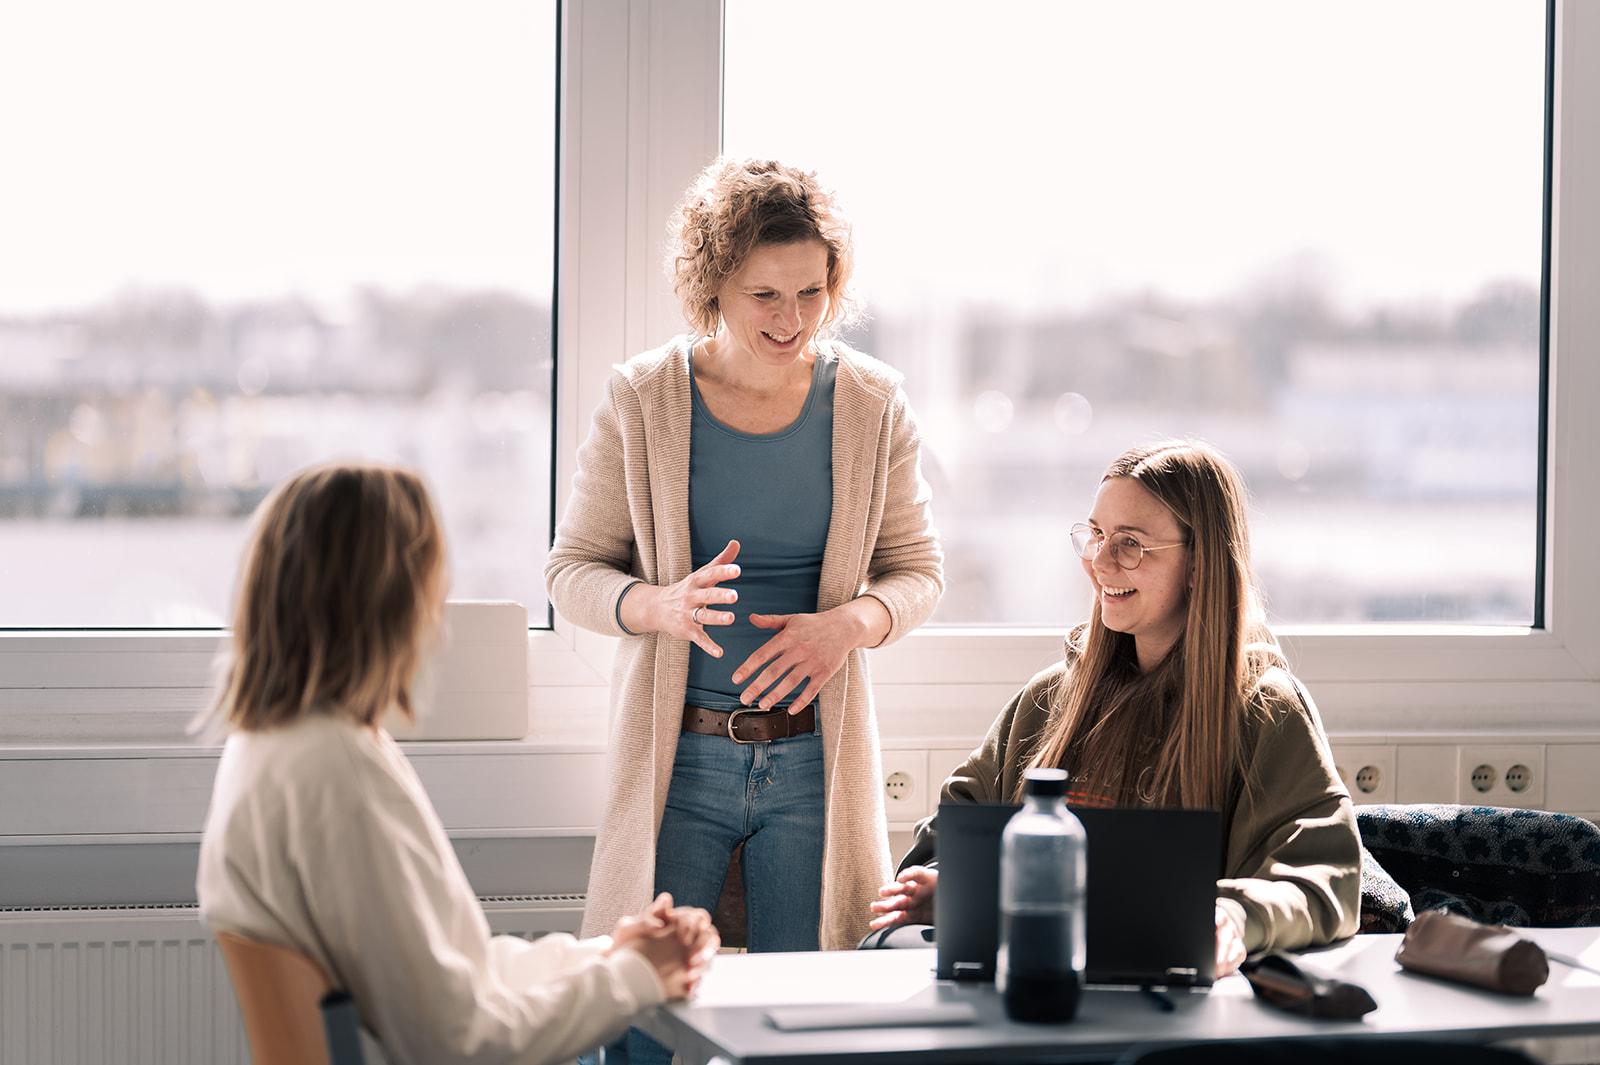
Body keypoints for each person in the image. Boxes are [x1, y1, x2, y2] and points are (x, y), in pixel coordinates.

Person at [546, 158, 942, 1061]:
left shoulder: (872, 403)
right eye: (765, 293)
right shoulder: (644, 398)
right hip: (679, 758)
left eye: (811, 290)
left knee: (806, 1027)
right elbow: (572, 570)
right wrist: (658, 604)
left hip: (812, 761)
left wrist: (851, 624)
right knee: (637, 1023)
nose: (791, 318)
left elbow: (918, 572)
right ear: (711, 284)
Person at [196, 463, 717, 1065]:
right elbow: (458, 1039)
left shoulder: (276, 749)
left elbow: (448, 969)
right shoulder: (336, 774)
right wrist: (633, 978)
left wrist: (606, 954)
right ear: (391, 598)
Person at [869, 441, 1360, 976]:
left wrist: (1234, 918)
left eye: (1130, 544)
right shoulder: (1050, 698)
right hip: (1034, 982)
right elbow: (955, 830)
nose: (1099, 562)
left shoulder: (1266, 711)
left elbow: (1324, 879)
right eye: (1097, 536)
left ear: (1200, 564)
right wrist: (951, 883)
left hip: (1174, 999)